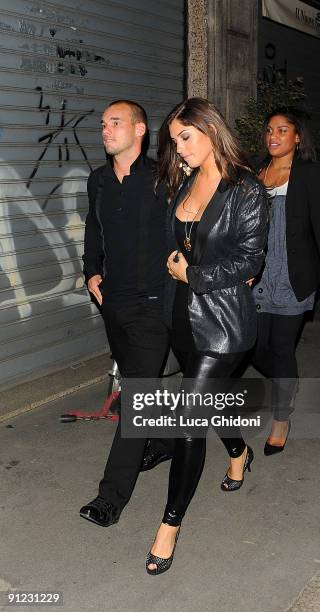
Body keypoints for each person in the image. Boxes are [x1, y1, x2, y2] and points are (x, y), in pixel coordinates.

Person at [145, 97, 268, 575]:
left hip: (223, 323)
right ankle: (238, 451)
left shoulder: (246, 189)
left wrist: (192, 275)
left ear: (211, 131)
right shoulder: (185, 181)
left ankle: (168, 527)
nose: (179, 149)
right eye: (174, 141)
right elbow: (178, 241)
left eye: (185, 138)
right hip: (183, 317)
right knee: (211, 403)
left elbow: (249, 261)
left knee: (189, 420)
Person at [79, 99, 173, 527]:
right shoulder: (97, 180)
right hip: (113, 302)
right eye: (103, 123)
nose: (106, 129)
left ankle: (110, 497)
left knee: (136, 398)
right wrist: (91, 272)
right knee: (141, 387)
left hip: (155, 304)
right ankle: (168, 439)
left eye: (115, 122)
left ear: (140, 130)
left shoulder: (164, 179)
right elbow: (93, 229)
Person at [251, 107, 320, 454]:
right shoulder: (256, 171)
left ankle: (281, 418)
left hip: (294, 276)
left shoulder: (309, 174)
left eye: (282, 130)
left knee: (281, 347)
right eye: (269, 130)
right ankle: (285, 379)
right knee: (253, 345)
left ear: (297, 137)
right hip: (257, 276)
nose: (273, 136)